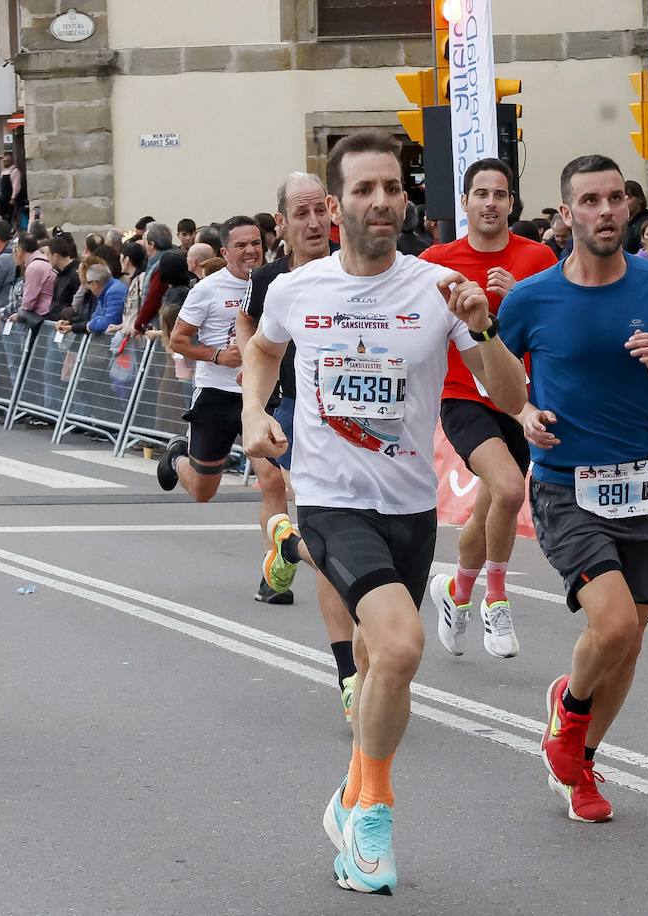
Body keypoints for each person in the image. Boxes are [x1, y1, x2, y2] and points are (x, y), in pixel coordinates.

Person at [241, 129, 526, 896]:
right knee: (400, 648)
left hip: (410, 506)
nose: (381, 202)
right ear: (335, 207)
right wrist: (251, 413)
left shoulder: (437, 288)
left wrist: (483, 322)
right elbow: (263, 351)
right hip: (332, 501)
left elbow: (509, 397)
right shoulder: (297, 290)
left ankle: (350, 794)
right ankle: (374, 814)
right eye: (364, 190)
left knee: (376, 666)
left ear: (408, 199)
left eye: (392, 188)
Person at [500, 154, 648, 823]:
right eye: (589, 200)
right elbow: (492, 382)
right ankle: (570, 717)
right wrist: (524, 414)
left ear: (629, 208)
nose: (606, 211)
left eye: (616, 198)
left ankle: (580, 761)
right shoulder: (531, 298)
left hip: (643, 481)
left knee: (630, 639)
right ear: (566, 215)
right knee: (612, 622)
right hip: (566, 486)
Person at [421, 158, 559, 660]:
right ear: (464, 202)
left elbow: (558, 319)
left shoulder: (538, 257)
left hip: (518, 397)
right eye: (481, 193)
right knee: (506, 488)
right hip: (462, 396)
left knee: (489, 509)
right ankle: (495, 600)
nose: (491, 203)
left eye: (500, 194)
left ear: (512, 203)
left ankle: (455, 593)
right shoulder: (438, 259)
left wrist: (518, 296)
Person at [233, 171, 358, 716]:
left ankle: (286, 546)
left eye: (318, 212)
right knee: (322, 531)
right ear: (281, 223)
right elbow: (250, 326)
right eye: (299, 214)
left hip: (363, 423)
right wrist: (253, 397)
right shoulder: (270, 280)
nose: (312, 224)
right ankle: (350, 674)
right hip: (295, 410)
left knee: (333, 538)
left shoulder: (360, 265)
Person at [157, 216, 292, 602]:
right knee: (203, 490)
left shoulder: (275, 282)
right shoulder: (208, 290)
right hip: (216, 395)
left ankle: (274, 573)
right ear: (225, 252)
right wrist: (218, 355)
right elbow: (179, 340)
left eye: (256, 243)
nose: (251, 251)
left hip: (261, 396)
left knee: (272, 480)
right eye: (242, 246)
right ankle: (175, 458)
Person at [622, 179, 648, 254]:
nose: (624, 202)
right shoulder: (622, 223)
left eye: (629, 197)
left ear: (640, 199)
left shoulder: (647, 222)